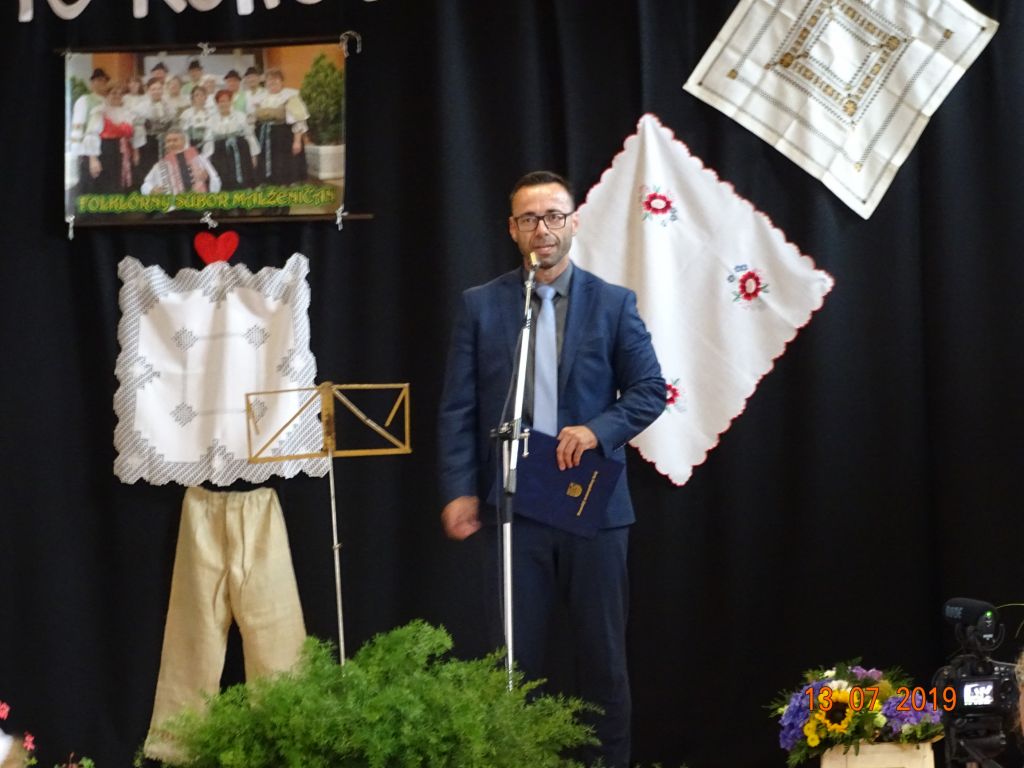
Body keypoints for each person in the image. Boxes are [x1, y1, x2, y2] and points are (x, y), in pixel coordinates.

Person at [437, 170, 664, 767]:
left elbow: (649, 390)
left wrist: (598, 430)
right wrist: (459, 490)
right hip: (515, 503)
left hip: (592, 503)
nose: (544, 229)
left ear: (574, 223)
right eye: (530, 218)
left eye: (554, 216)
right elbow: (459, 407)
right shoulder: (482, 305)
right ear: (513, 230)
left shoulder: (613, 304)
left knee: (602, 658)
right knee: (514, 660)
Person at [82, 82, 143, 194]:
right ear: (107, 95)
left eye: (120, 94)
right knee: (107, 185)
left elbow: (134, 135)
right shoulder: (100, 111)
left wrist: (136, 152)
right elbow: (91, 135)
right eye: (114, 93)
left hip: (123, 153)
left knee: (121, 184)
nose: (117, 96)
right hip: (105, 152)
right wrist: (93, 159)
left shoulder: (127, 113)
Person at [254, 68, 309, 185]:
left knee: (283, 160)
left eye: (276, 79)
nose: (272, 82)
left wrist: (297, 141)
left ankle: (285, 183)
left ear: (281, 81)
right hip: (264, 134)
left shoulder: (290, 96)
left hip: (283, 135)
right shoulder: (261, 97)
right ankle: (268, 181)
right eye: (269, 80)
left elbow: (299, 120)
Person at [141, 126, 221, 195]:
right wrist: (152, 190)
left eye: (175, 140)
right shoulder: (160, 165)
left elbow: (215, 179)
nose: (171, 144)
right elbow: (145, 185)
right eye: (168, 141)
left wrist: (208, 182)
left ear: (184, 142)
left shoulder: (199, 159)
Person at [207, 89, 259, 190]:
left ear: (231, 102)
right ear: (217, 103)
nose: (224, 104)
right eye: (221, 101)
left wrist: (254, 155)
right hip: (220, 152)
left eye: (226, 100)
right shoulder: (211, 119)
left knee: (243, 176)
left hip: (240, 149)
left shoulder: (241, 116)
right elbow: (208, 140)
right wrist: (208, 158)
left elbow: (249, 135)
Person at [69, 67, 109, 192]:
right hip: (89, 150)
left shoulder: (107, 101)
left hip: (106, 148)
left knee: (102, 187)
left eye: (104, 81)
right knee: (89, 187)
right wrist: (91, 157)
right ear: (92, 83)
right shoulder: (84, 100)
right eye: (98, 80)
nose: (101, 83)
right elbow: (79, 129)